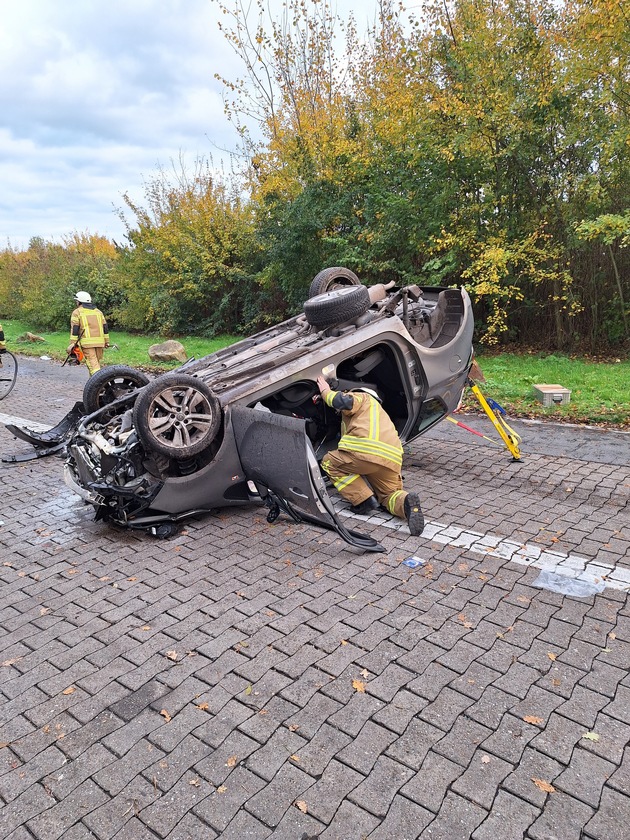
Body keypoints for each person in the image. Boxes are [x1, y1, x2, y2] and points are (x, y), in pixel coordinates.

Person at [316, 375, 424, 536]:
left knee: (328, 462)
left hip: (365, 454)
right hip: (392, 460)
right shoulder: (381, 415)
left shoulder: (363, 397)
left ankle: (363, 500)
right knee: (389, 495)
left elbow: (342, 401)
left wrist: (325, 391)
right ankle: (406, 503)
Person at [67, 291, 109, 376]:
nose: (76, 302)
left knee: (93, 366)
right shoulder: (98, 312)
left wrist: (73, 344)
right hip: (100, 342)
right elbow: (105, 327)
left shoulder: (77, 312)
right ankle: (93, 387)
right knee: (96, 364)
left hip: (87, 343)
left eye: (76, 301)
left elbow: (75, 329)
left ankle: (100, 385)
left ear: (79, 301)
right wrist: (107, 341)